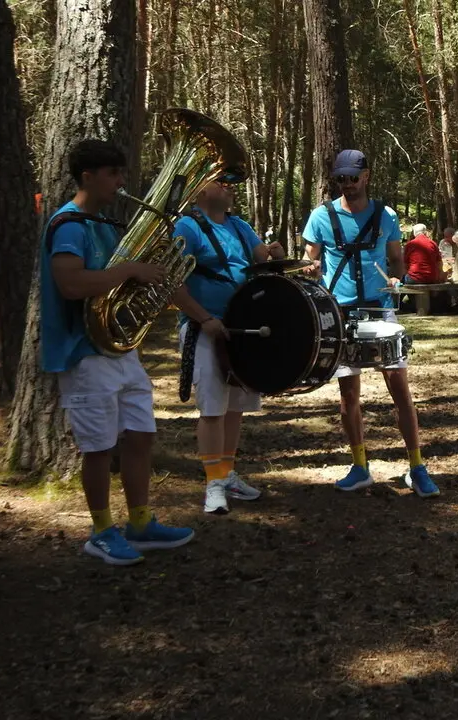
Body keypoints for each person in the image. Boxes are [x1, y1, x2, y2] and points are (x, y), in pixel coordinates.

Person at [41, 139, 194, 566]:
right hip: (84, 353)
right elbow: (71, 285)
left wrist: (150, 277)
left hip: (119, 350)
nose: (121, 182)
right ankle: (102, 530)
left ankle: (141, 522)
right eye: (113, 174)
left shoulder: (107, 225)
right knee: (98, 447)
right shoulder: (68, 226)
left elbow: (123, 281)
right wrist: (129, 270)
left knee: (141, 434)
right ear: (88, 176)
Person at [303, 150, 439, 498]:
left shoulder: (386, 215)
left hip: (379, 311)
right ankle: (360, 465)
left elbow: (396, 260)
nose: (348, 184)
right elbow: (309, 259)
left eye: (353, 177)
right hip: (340, 313)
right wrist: (310, 270)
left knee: (400, 390)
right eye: (341, 178)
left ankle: (416, 466)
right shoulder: (322, 216)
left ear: (367, 176)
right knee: (348, 394)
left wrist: (397, 279)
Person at [171, 179, 271, 515]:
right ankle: (213, 483)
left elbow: (264, 261)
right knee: (212, 409)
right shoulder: (187, 227)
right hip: (206, 329)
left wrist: (276, 254)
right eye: (223, 181)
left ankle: (226, 473)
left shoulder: (240, 226)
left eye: (233, 182)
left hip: (242, 328)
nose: (231, 186)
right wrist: (203, 319)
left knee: (235, 407)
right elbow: (173, 284)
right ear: (200, 188)